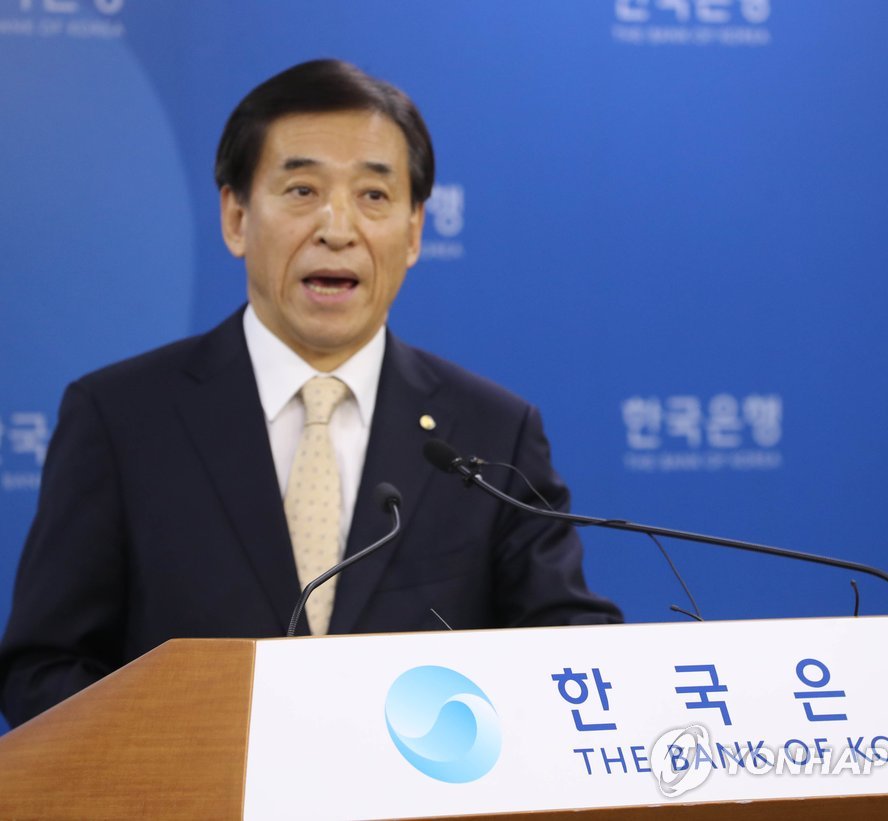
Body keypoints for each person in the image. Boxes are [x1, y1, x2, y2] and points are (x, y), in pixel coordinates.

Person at [0, 59, 621, 728]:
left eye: (374, 196)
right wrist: (173, 761)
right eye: (302, 190)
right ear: (236, 216)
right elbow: (44, 666)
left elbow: (569, 649)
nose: (337, 228)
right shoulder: (122, 419)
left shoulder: (493, 431)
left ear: (415, 230)